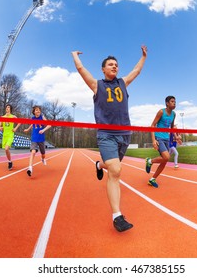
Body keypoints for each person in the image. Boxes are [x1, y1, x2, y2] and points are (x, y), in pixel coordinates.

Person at [71, 45, 147, 232]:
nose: (114, 67)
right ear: (103, 69)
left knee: (113, 168)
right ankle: (117, 216)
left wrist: (143, 57)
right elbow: (81, 70)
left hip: (124, 135)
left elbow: (136, 71)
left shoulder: (123, 82)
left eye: (116, 65)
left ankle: (99, 165)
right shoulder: (98, 85)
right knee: (116, 170)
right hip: (106, 135)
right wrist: (75, 56)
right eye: (110, 65)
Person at [145, 96, 176, 188]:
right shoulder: (161, 112)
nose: (174, 103)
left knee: (164, 161)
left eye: (175, 101)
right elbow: (152, 125)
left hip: (167, 138)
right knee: (166, 157)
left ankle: (152, 179)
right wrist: (154, 140)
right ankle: (150, 161)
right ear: (167, 103)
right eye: (172, 101)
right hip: (159, 137)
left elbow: (171, 128)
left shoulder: (174, 114)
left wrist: (176, 137)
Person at [23, 105, 51, 177]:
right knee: (33, 152)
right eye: (36, 110)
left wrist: (43, 130)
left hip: (41, 138)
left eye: (39, 110)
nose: (38, 111)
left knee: (43, 154)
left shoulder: (42, 117)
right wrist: (28, 129)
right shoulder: (33, 118)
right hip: (34, 138)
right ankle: (30, 168)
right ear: (34, 112)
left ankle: (42, 158)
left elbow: (49, 125)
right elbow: (32, 125)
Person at [0, 104, 21, 170]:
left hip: (10, 135)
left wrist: (15, 128)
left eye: (8, 107)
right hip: (5, 135)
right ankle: (10, 161)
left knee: (6, 148)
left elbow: (20, 122)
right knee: (6, 150)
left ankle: (10, 162)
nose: (7, 108)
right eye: (6, 107)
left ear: (10, 109)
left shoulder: (13, 117)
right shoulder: (2, 117)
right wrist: (0, 127)